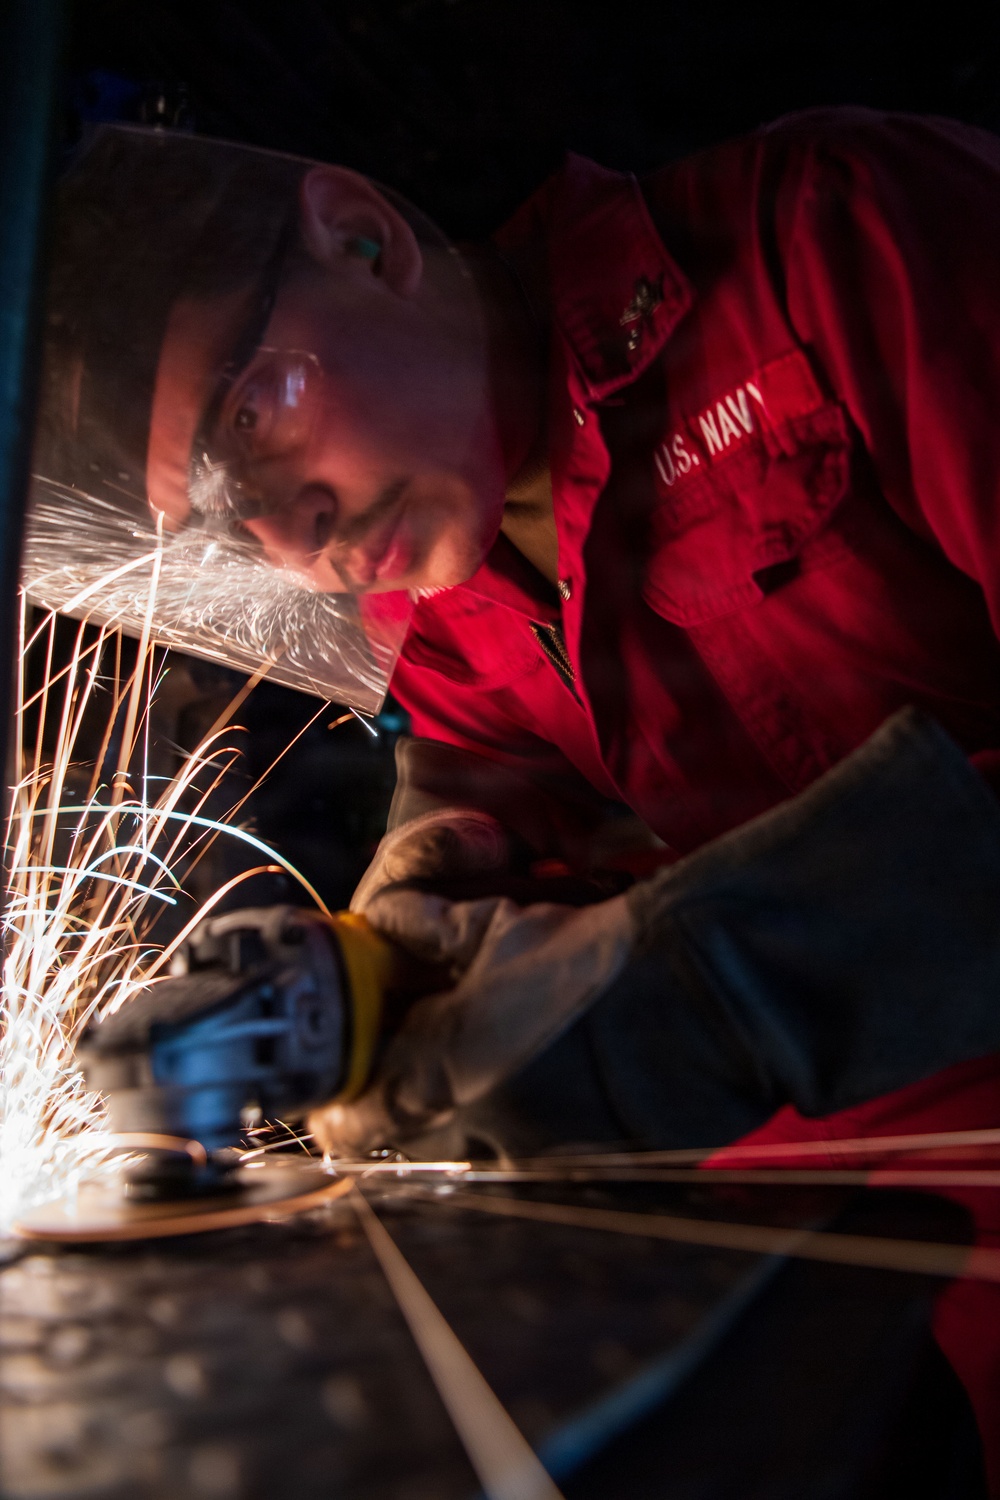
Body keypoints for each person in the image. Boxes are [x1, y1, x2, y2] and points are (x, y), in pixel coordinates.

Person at [32, 109, 1000, 1483]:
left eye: (247, 429)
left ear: (359, 239)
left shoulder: (840, 245)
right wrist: (364, 968)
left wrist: (726, 992)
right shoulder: (468, 603)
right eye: (221, 525)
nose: (291, 541)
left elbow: (680, 989)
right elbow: (491, 827)